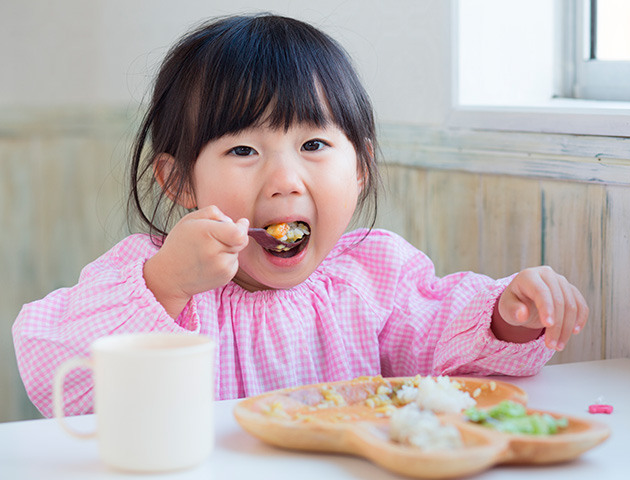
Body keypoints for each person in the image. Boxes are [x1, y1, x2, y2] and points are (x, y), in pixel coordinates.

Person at [12, 14, 588, 418]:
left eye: (314, 145)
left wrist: (510, 315)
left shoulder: (371, 276)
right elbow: (56, 375)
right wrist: (165, 285)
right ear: (178, 180)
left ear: (359, 169)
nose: (285, 180)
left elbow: (446, 342)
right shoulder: (151, 275)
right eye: (243, 151)